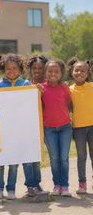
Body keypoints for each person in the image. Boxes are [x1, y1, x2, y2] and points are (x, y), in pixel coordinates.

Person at [0, 54, 38, 200]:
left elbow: (33, 100)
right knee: (0, 163)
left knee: (13, 164)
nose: (11, 71)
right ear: (3, 70)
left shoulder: (25, 84)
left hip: (20, 131)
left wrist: (36, 90)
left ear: (20, 69)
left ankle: (11, 189)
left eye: (14, 68)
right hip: (3, 131)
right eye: (8, 68)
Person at [41, 59, 72, 197]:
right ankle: (57, 184)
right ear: (45, 72)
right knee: (54, 158)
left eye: (56, 71)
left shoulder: (65, 88)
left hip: (65, 127)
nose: (53, 73)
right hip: (49, 129)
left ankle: (65, 186)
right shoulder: (40, 89)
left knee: (64, 158)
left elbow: (68, 104)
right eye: (50, 71)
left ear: (61, 73)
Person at [68, 57, 93, 194]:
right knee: (81, 157)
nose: (79, 73)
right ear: (72, 72)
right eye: (77, 70)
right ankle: (82, 183)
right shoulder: (69, 90)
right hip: (78, 129)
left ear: (88, 73)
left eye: (83, 71)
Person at [26, 55, 49, 195]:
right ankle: (31, 185)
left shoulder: (50, 83)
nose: (37, 70)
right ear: (30, 69)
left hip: (46, 124)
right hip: (29, 124)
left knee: (38, 156)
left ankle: (37, 183)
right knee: (30, 155)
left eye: (41, 68)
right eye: (34, 68)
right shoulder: (25, 84)